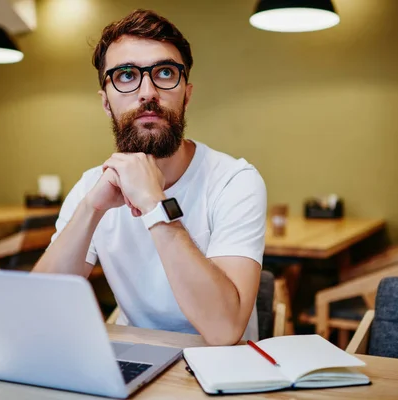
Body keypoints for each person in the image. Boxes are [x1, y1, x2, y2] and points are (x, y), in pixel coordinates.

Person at [33, 9, 267, 345]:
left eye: (165, 73)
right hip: (136, 361)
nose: (147, 92)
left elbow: (224, 330)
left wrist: (156, 204)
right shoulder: (91, 187)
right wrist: (91, 209)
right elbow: (41, 307)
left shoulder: (235, 181)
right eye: (126, 75)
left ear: (186, 94)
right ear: (106, 102)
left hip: (223, 374)